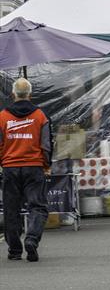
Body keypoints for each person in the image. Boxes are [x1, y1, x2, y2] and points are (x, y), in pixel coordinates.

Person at [0, 78, 52, 262]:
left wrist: (3, 163)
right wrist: (46, 166)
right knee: (37, 207)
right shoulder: (40, 116)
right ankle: (32, 239)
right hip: (34, 167)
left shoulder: (2, 117)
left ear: (13, 94)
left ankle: (15, 251)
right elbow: (46, 145)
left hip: (10, 168)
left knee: (11, 209)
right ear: (30, 95)